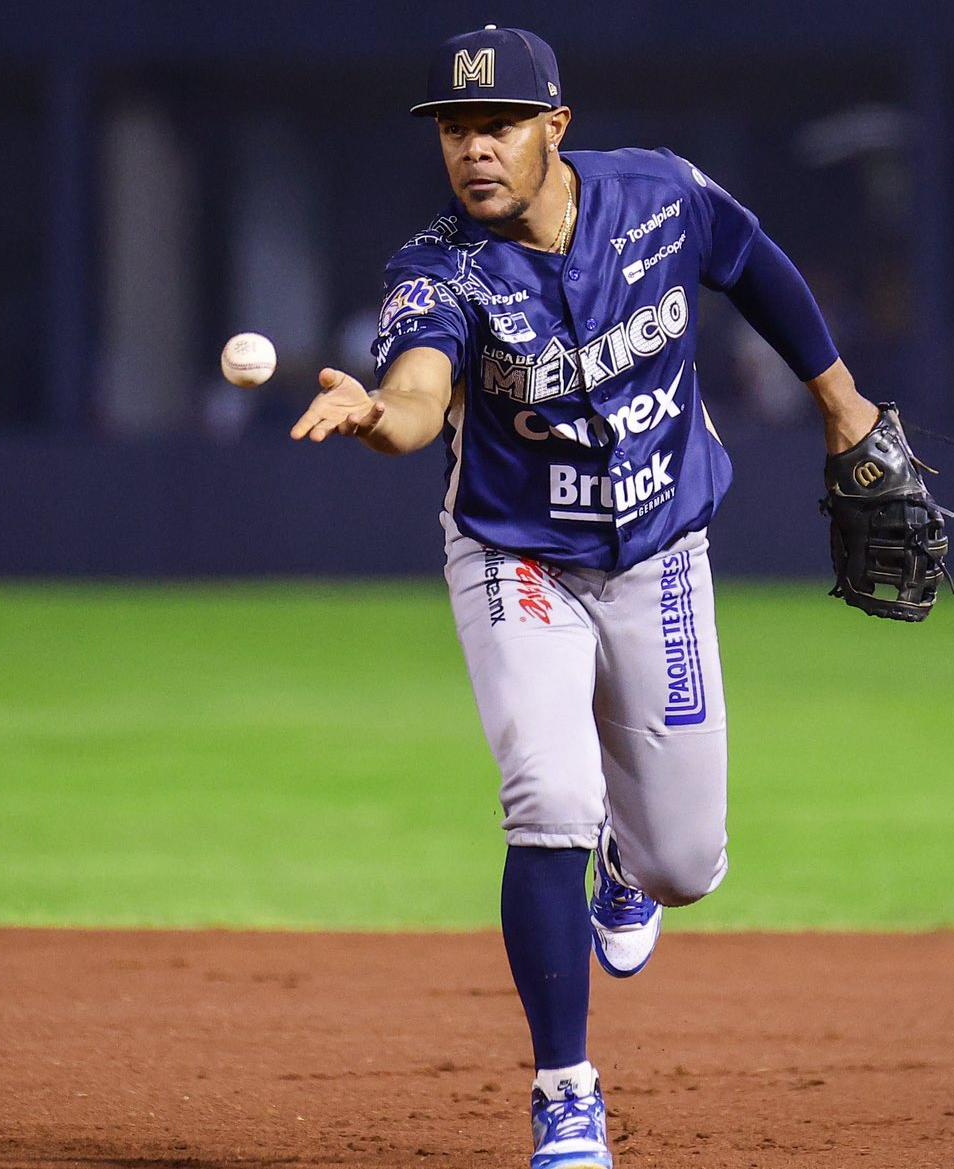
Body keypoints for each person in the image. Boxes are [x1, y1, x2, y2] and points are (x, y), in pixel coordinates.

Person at [291, 26, 879, 1169]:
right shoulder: (440, 267)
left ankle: (627, 863)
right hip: (518, 556)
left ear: (555, 127)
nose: (474, 149)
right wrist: (381, 417)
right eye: (456, 128)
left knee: (685, 864)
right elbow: (420, 391)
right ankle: (567, 1091)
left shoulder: (660, 198)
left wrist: (841, 401)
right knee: (549, 792)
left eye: (499, 123)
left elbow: (755, 260)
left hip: (659, 550)